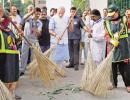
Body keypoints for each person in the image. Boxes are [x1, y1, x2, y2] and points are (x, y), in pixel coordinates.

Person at [104, 4, 130, 92]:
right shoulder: (106, 22)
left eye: (113, 14)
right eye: (110, 14)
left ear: (117, 12)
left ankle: (128, 84)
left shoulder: (125, 19)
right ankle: (113, 83)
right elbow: (106, 35)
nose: (111, 16)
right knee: (112, 66)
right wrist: (111, 40)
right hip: (112, 46)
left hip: (123, 46)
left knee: (125, 67)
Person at [0, 4, 22, 99]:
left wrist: (20, 37)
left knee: (12, 81)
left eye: (1, 10)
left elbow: (15, 42)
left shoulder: (8, 29)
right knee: (5, 80)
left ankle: (10, 94)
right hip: (3, 59)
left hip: (12, 59)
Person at [19, 7, 42, 75]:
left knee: (33, 56)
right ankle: (22, 70)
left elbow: (39, 33)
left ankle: (32, 70)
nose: (37, 15)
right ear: (33, 13)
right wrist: (31, 12)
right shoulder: (29, 19)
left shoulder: (39, 22)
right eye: (36, 14)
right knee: (24, 55)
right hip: (26, 39)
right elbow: (23, 18)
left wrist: (37, 30)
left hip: (34, 41)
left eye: (38, 14)